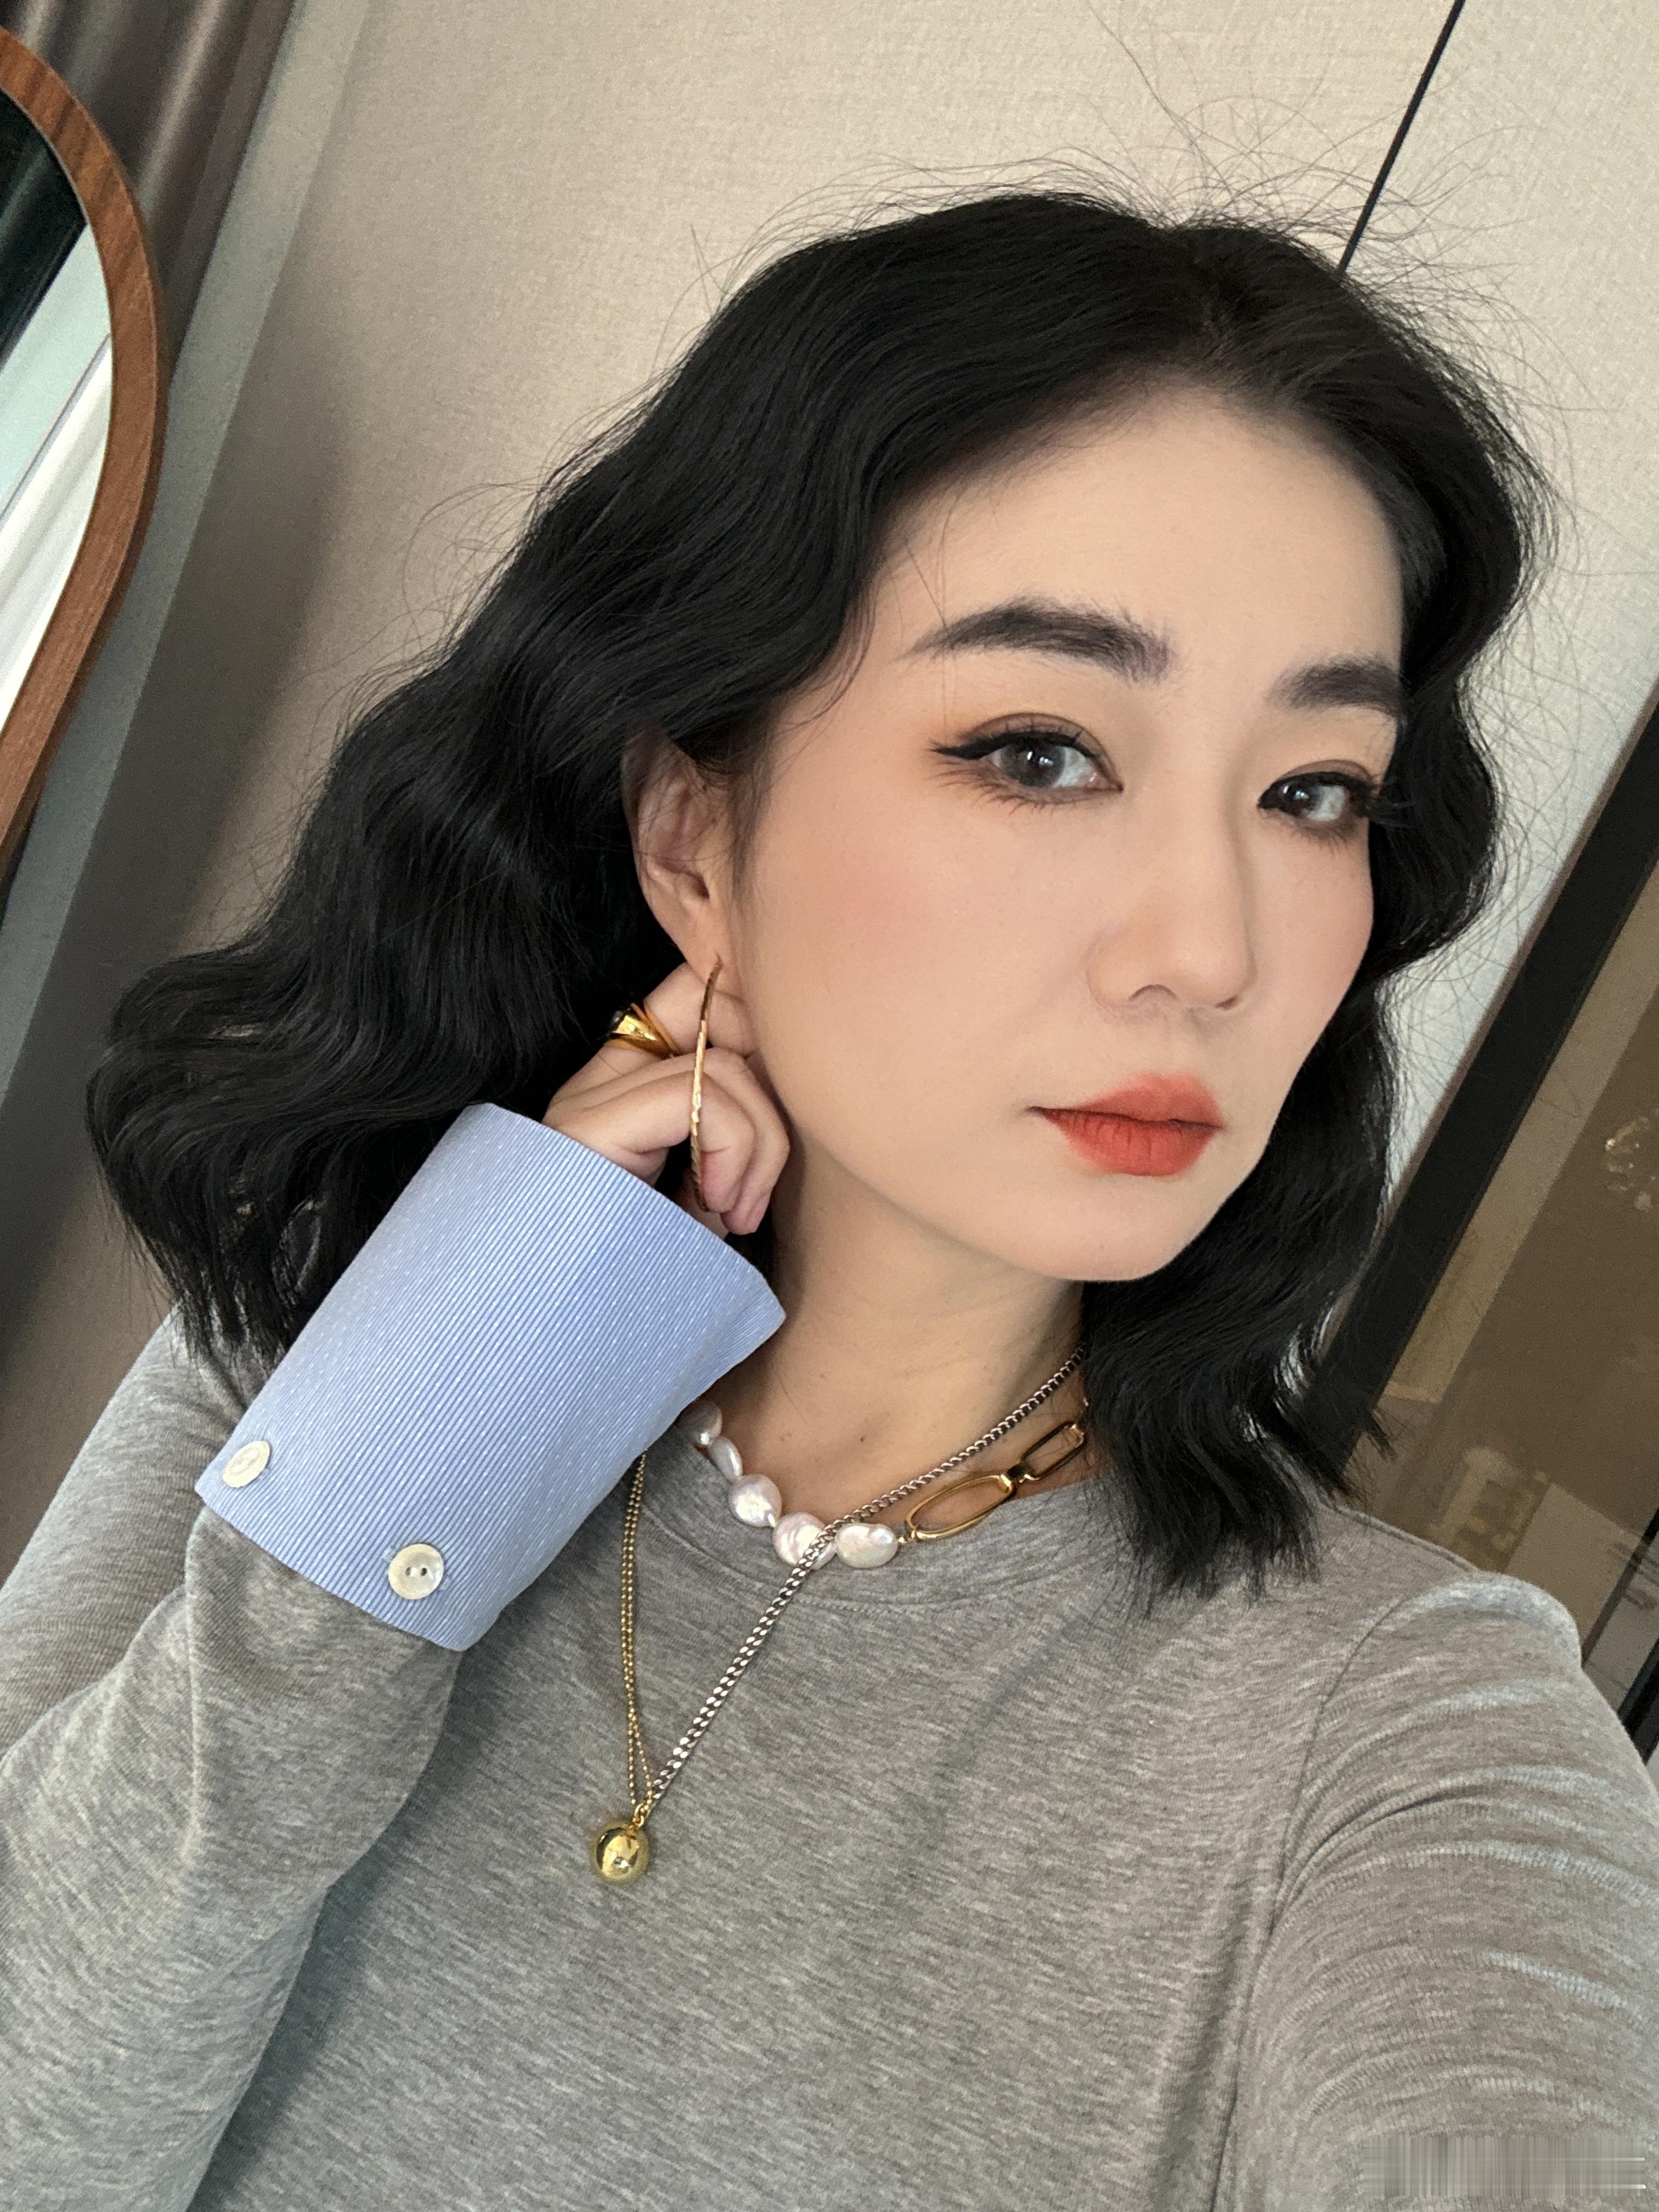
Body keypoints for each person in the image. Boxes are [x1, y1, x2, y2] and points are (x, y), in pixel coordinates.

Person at [2, 186, 1655, 2210]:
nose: (1212, 950)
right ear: (694, 835)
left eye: (1312, 791)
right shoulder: (349, 1338)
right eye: (1040, 752)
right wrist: (442, 1409)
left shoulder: (1415, 1735)